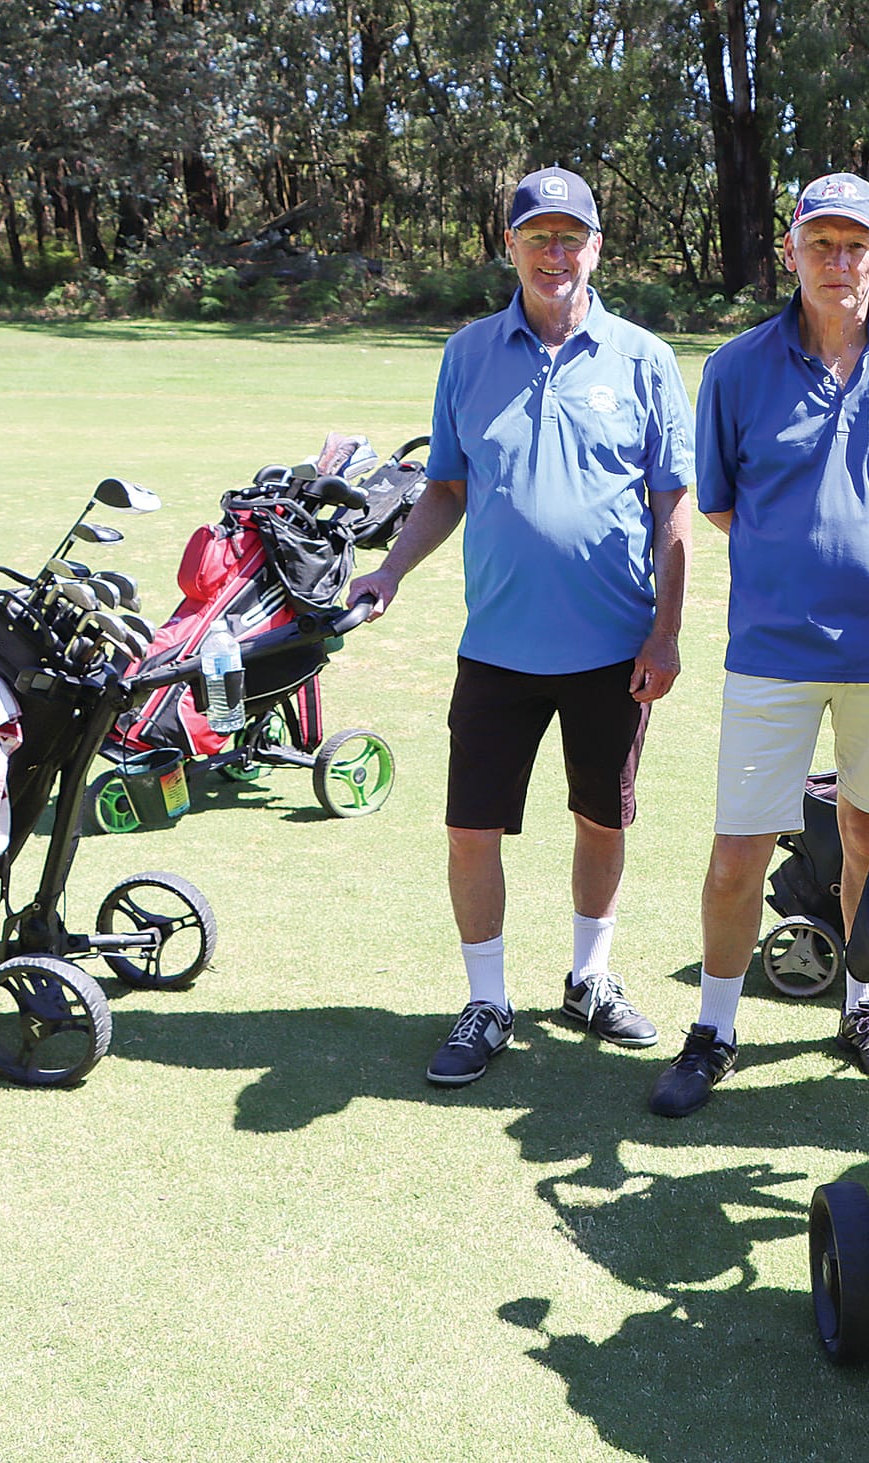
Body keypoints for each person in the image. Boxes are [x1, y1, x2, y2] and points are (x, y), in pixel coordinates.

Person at [348, 166, 695, 1087]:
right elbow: (449, 488)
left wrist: (665, 634)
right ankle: (488, 1000)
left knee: (600, 818)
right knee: (472, 828)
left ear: (596, 246)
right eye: (537, 235)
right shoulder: (467, 354)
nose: (555, 252)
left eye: (570, 235)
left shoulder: (643, 358)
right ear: (510, 245)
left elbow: (672, 507)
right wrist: (389, 569)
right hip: (498, 646)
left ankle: (589, 978)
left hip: (613, 647)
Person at [648, 172, 869, 1118]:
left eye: (854, 244)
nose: (838, 261)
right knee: (739, 847)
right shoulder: (736, 368)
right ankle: (713, 1026)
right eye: (819, 243)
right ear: (789, 251)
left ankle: (865, 1005)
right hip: (772, 651)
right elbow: (716, 503)